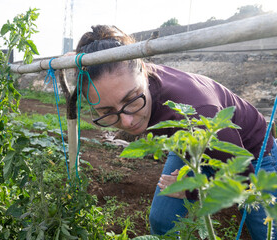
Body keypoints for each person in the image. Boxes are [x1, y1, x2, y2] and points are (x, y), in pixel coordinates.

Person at [74, 25, 277, 239]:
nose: (127, 121)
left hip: (252, 155)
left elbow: (242, 182)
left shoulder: (199, 113)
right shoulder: (125, 71)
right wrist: (79, 61)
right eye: (106, 111)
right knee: (163, 220)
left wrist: (194, 190)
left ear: (144, 71)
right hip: (189, 142)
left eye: (131, 99)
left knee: (266, 231)